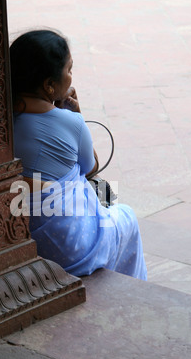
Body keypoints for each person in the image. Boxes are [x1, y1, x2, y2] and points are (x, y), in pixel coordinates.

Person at [10, 29, 147, 280]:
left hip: (26, 239)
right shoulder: (70, 121)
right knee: (125, 216)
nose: (71, 77)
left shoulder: (1, 122)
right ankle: (132, 286)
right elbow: (91, 166)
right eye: (69, 70)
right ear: (49, 85)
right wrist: (77, 114)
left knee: (96, 192)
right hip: (74, 251)